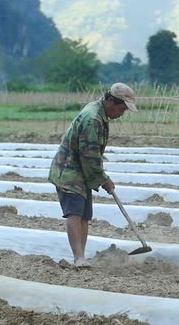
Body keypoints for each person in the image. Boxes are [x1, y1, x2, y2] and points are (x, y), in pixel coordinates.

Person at [48, 83, 137, 267]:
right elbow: (89, 155)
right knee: (75, 212)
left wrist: (101, 178)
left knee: (85, 214)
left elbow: (92, 154)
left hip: (81, 170)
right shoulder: (93, 119)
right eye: (121, 109)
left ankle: (82, 257)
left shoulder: (100, 113)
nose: (122, 114)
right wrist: (104, 180)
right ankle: (79, 258)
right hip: (69, 170)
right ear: (111, 101)